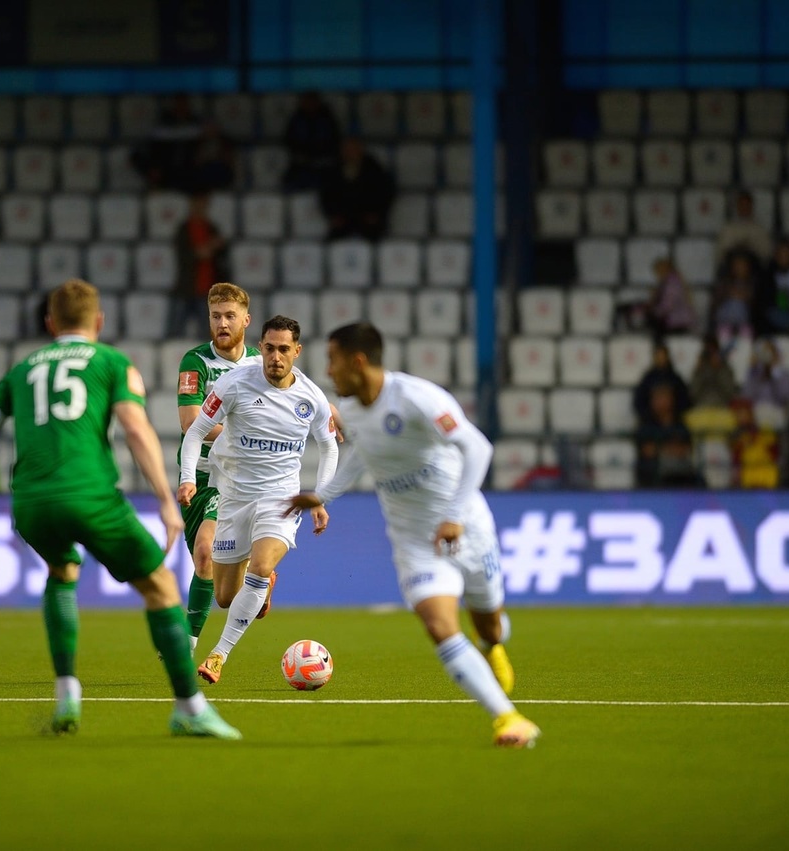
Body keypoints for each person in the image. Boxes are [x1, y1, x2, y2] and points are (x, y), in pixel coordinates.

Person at [0, 278, 240, 740]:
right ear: (99, 322)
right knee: (161, 588)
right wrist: (165, 501)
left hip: (30, 502)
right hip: (89, 495)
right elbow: (136, 430)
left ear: (50, 323)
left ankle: (67, 691)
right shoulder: (111, 362)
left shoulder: (22, 369)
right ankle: (189, 708)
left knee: (61, 571)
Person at [283, 322, 540, 749]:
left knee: (491, 627)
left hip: (467, 528)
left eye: (333, 360)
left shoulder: (417, 398)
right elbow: (361, 454)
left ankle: (492, 645)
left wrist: (454, 515)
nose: (328, 371)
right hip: (414, 540)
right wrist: (322, 494)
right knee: (438, 624)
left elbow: (478, 448)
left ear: (357, 362)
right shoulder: (352, 410)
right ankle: (508, 718)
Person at [178, 315, 339, 685]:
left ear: (297, 351)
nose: (275, 357)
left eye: (284, 349)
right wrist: (187, 478)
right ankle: (261, 584)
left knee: (261, 566)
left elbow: (329, 447)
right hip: (233, 497)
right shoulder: (235, 384)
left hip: (280, 498)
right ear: (261, 347)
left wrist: (320, 498)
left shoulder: (311, 397)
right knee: (224, 596)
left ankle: (218, 655)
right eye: (269, 348)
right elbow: (196, 432)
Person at [174, 283, 262, 651]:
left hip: (237, 477)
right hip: (200, 474)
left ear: (246, 320)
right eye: (215, 316)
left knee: (206, 552)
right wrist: (245, 436)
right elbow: (190, 422)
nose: (222, 323)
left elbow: (298, 397)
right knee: (209, 568)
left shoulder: (261, 363)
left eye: (229, 316)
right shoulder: (195, 362)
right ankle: (258, 575)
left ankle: (187, 643)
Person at [168, 192, 228, 338]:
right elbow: (187, 255)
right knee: (175, 334)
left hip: (208, 291)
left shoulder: (211, 228)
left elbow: (221, 253)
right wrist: (207, 248)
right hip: (186, 288)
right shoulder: (184, 229)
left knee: (207, 336)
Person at [319, 137, 397, 242]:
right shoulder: (333, 169)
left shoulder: (374, 168)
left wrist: (377, 213)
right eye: (346, 150)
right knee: (330, 242)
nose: (350, 153)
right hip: (343, 218)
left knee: (375, 238)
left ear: (360, 150)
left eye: (353, 149)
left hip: (367, 217)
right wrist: (333, 215)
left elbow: (385, 192)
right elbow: (326, 194)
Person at [635, 383, 703, 488]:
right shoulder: (646, 425)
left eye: (664, 397)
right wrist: (669, 449)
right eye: (657, 398)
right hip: (654, 478)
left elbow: (685, 450)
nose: (661, 402)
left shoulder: (680, 424)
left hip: (681, 476)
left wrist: (660, 448)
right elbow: (648, 451)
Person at [130, 93, 202, 191]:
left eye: (184, 104)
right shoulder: (163, 122)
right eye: (178, 104)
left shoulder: (196, 122)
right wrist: (154, 166)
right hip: (166, 169)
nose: (181, 108)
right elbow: (154, 147)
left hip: (189, 169)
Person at [282, 91, 341, 191]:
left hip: (324, 163)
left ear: (318, 103)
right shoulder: (296, 119)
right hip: (302, 164)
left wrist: (322, 156)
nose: (310, 105)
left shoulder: (327, 119)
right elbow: (289, 141)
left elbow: (335, 141)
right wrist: (301, 156)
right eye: (307, 102)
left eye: (312, 102)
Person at [714, 190, 772, 274]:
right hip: (731, 271)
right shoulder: (728, 229)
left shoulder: (759, 230)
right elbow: (720, 254)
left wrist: (749, 248)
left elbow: (766, 254)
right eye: (742, 205)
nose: (744, 207)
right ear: (737, 206)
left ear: (751, 206)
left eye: (747, 205)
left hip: (753, 272)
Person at [633, 343, 691, 425]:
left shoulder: (674, 378)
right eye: (658, 356)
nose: (661, 359)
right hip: (651, 421)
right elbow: (639, 401)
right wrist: (650, 415)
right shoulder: (648, 379)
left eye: (663, 356)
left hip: (673, 421)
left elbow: (685, 399)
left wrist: (674, 415)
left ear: (667, 357)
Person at [710, 253, 758, 347]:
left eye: (742, 266)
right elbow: (716, 303)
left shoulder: (751, 284)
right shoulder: (725, 283)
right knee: (723, 339)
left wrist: (744, 296)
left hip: (744, 323)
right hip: (724, 321)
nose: (739, 269)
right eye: (737, 265)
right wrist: (728, 293)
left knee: (746, 338)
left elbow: (754, 304)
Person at [729, 398, 779, 489]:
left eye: (744, 413)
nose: (742, 417)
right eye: (739, 414)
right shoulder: (737, 436)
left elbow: (775, 455)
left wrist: (756, 439)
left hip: (766, 472)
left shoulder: (766, 433)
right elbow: (736, 458)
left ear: (751, 414)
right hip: (748, 474)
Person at [646, 257, 697, 335]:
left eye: (657, 270)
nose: (657, 274)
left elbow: (668, 304)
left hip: (678, 322)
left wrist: (654, 312)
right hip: (678, 321)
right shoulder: (671, 281)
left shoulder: (672, 283)